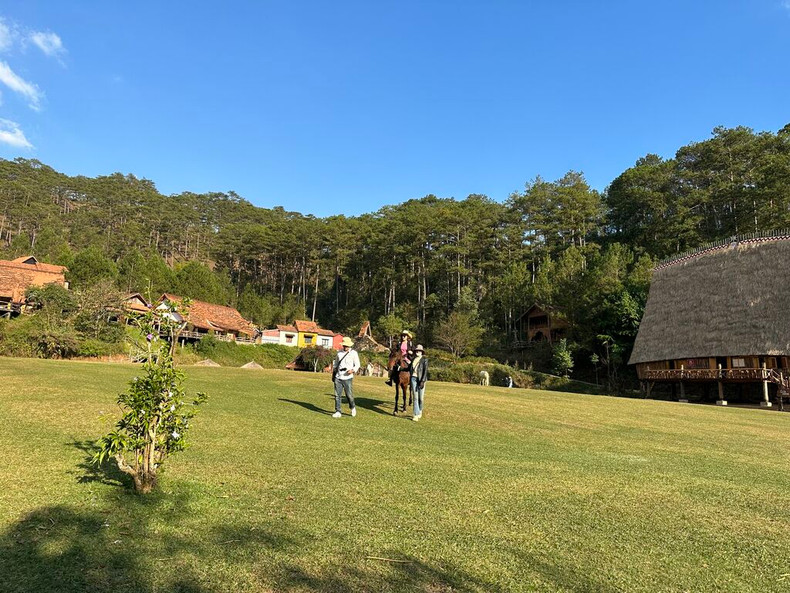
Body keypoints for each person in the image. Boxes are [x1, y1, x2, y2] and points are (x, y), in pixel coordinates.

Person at [332, 337, 360, 418]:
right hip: (338, 376)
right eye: (344, 346)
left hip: (348, 377)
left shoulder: (354, 353)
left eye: (347, 346)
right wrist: (334, 370)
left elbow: (357, 364)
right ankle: (338, 411)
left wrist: (353, 370)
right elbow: (336, 364)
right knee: (337, 395)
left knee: (349, 395)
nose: (345, 347)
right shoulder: (339, 353)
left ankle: (352, 407)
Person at [409, 344, 428, 421]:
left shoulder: (424, 360)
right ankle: (415, 414)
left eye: (419, 351)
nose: (418, 352)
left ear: (422, 352)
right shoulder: (413, 359)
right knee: (415, 397)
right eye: (417, 350)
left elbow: (425, 371)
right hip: (413, 378)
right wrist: (400, 368)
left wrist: (422, 381)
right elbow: (408, 368)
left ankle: (420, 410)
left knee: (421, 398)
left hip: (421, 380)